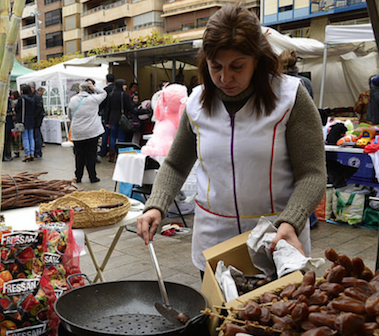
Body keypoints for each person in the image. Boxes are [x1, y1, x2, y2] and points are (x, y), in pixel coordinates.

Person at [136, 4, 326, 279]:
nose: (225, 78)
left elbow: (312, 173)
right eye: (216, 67)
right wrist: (156, 204)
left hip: (276, 240)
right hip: (214, 243)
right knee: (219, 319)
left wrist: (292, 221)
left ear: (257, 60)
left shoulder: (290, 98)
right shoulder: (196, 104)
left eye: (237, 66)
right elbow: (176, 164)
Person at [69, 80, 107, 183]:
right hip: (92, 131)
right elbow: (104, 93)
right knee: (91, 154)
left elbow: (70, 115)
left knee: (78, 155)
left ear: (79, 89)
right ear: (89, 89)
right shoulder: (94, 99)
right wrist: (94, 88)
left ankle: (78, 177)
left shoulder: (72, 100)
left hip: (77, 132)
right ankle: (92, 176)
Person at [105, 78, 134, 162]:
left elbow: (108, 108)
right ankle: (120, 155)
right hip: (122, 118)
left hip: (112, 118)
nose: (126, 86)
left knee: (113, 137)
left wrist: (107, 120)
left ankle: (111, 155)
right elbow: (130, 107)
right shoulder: (124, 95)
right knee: (121, 137)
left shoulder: (111, 94)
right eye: (124, 84)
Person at [15, 84, 37, 162]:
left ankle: (27, 154)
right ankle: (32, 153)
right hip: (31, 119)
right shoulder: (32, 98)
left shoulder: (22, 99)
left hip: (24, 120)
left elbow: (17, 108)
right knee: (31, 137)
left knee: (25, 137)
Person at [98, 73, 115, 160]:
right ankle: (112, 152)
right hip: (115, 114)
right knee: (113, 134)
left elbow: (102, 102)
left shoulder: (105, 90)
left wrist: (100, 111)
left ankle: (103, 151)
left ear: (106, 80)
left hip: (106, 112)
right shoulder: (116, 89)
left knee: (105, 133)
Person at [34, 86, 46, 159]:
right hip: (38, 119)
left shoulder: (36, 97)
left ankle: (38, 151)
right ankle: (38, 151)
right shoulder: (38, 97)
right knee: (38, 134)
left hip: (36, 119)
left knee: (37, 134)